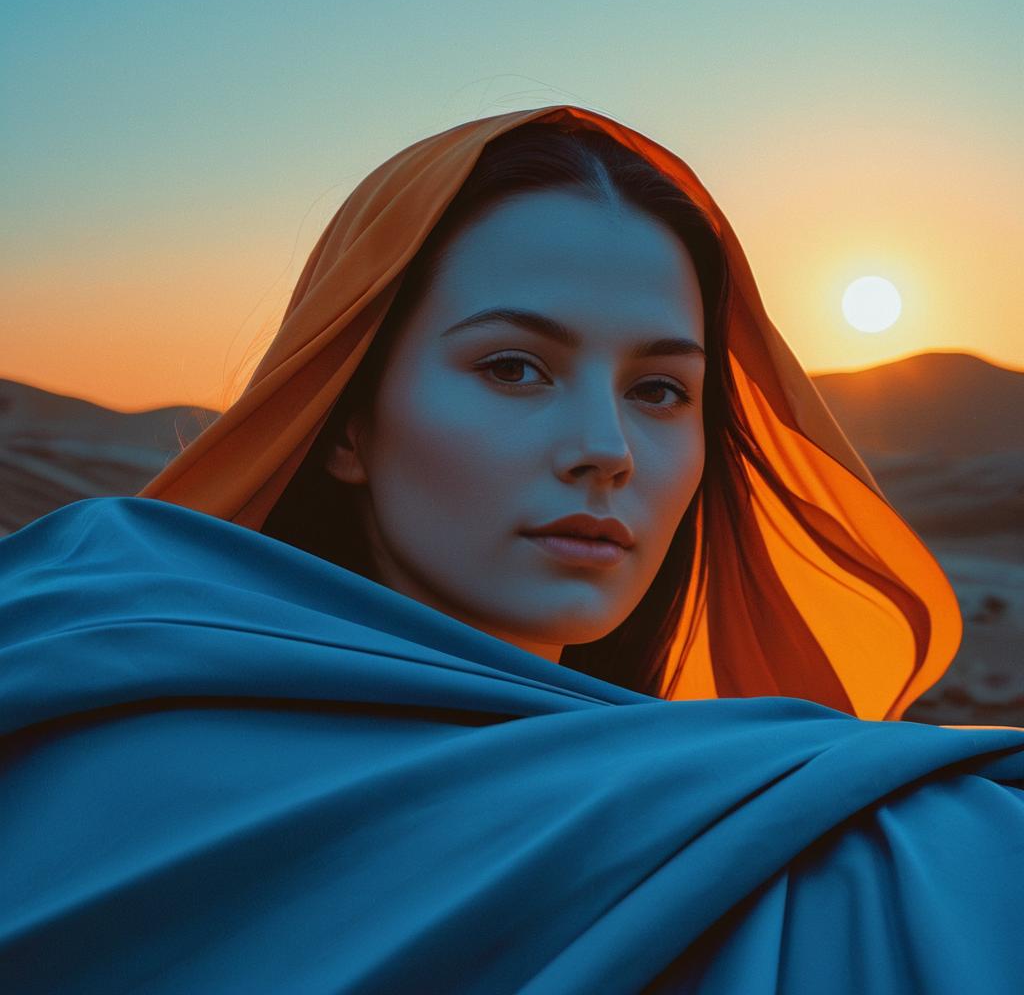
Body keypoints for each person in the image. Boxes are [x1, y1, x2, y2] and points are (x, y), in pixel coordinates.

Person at [0, 105, 1021, 994]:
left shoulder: (820, 828)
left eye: (659, 389)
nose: (605, 450)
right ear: (346, 420)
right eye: (514, 368)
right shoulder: (83, 694)